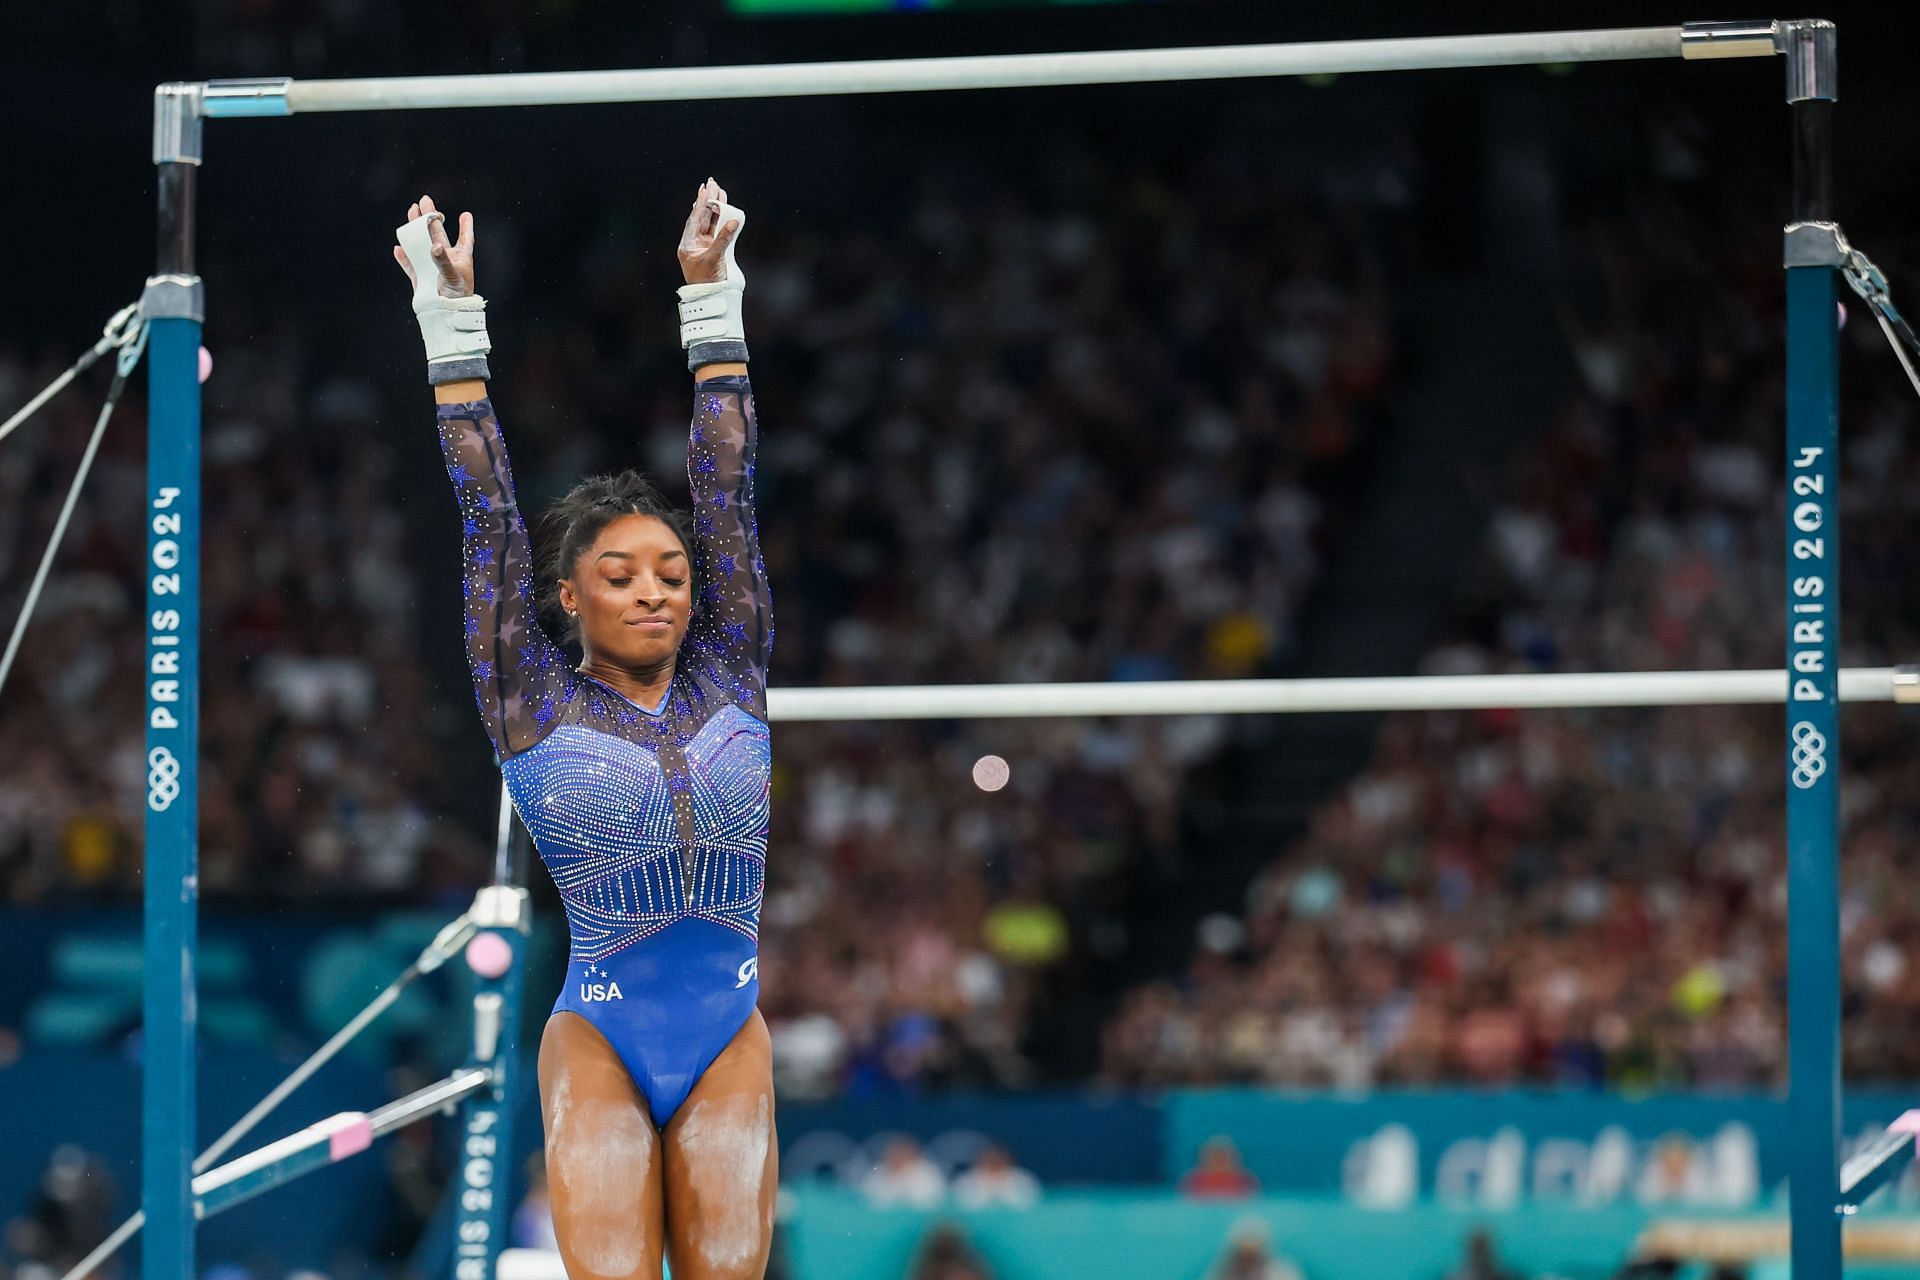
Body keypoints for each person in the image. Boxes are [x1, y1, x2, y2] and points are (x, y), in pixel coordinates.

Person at [394, 179, 773, 1280]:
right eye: (621, 574)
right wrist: (451, 326)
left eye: (670, 572)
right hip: (601, 1033)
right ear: (570, 596)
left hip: (729, 1034)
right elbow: (486, 518)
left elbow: (730, 488)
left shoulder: (735, 666)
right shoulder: (530, 693)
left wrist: (712, 305)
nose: (656, 590)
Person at [1204, 1216, 1303, 1280]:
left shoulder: (1284, 1274)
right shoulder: (1219, 1274)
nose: (1248, 1261)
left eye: (1253, 1256)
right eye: (1243, 1255)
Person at [951, 1144, 1041, 1210]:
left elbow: (1028, 1206)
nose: (994, 1166)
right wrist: (988, 1189)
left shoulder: (1023, 1179)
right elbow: (963, 1207)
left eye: (998, 1163)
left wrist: (1002, 1189)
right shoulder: (967, 1180)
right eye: (990, 1162)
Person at [1181, 1136, 1261, 1200]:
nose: (1219, 1162)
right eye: (1214, 1157)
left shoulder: (1245, 1182)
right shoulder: (1194, 1182)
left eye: (1223, 1157)